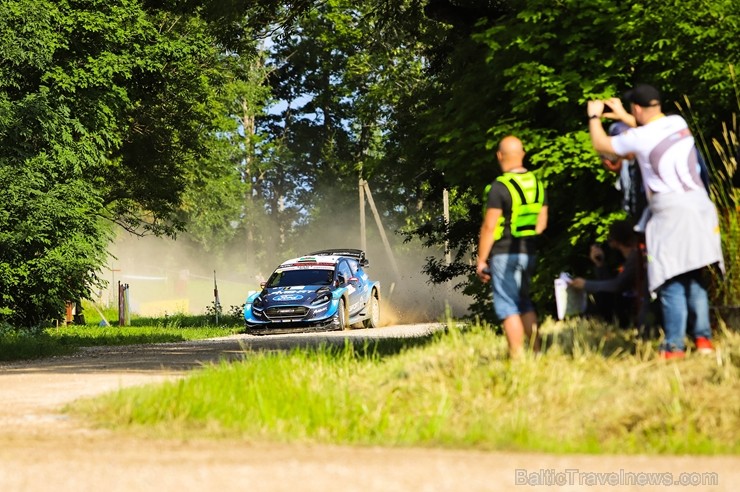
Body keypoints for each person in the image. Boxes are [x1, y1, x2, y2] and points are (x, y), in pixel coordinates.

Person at [588, 84, 725, 359]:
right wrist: (621, 116)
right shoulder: (677, 122)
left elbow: (602, 145)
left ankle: (674, 345)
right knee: (694, 275)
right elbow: (649, 129)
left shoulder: (638, 137)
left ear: (637, 108)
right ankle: (703, 339)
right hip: (700, 206)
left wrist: (594, 117)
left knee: (671, 278)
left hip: (671, 212)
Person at [476, 136, 548, 358]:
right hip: (528, 253)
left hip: (504, 255)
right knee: (524, 303)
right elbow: (541, 224)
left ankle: (516, 357)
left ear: (500, 156)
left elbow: (490, 226)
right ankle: (537, 353)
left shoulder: (500, 187)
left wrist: (481, 260)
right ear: (523, 154)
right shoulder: (537, 184)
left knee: (508, 307)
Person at [569, 220, 647, 328]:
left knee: (600, 300)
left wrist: (586, 284)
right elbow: (611, 285)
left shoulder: (636, 257)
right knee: (602, 296)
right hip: (632, 303)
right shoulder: (632, 256)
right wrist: (600, 265)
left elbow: (617, 285)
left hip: (639, 305)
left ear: (614, 242)